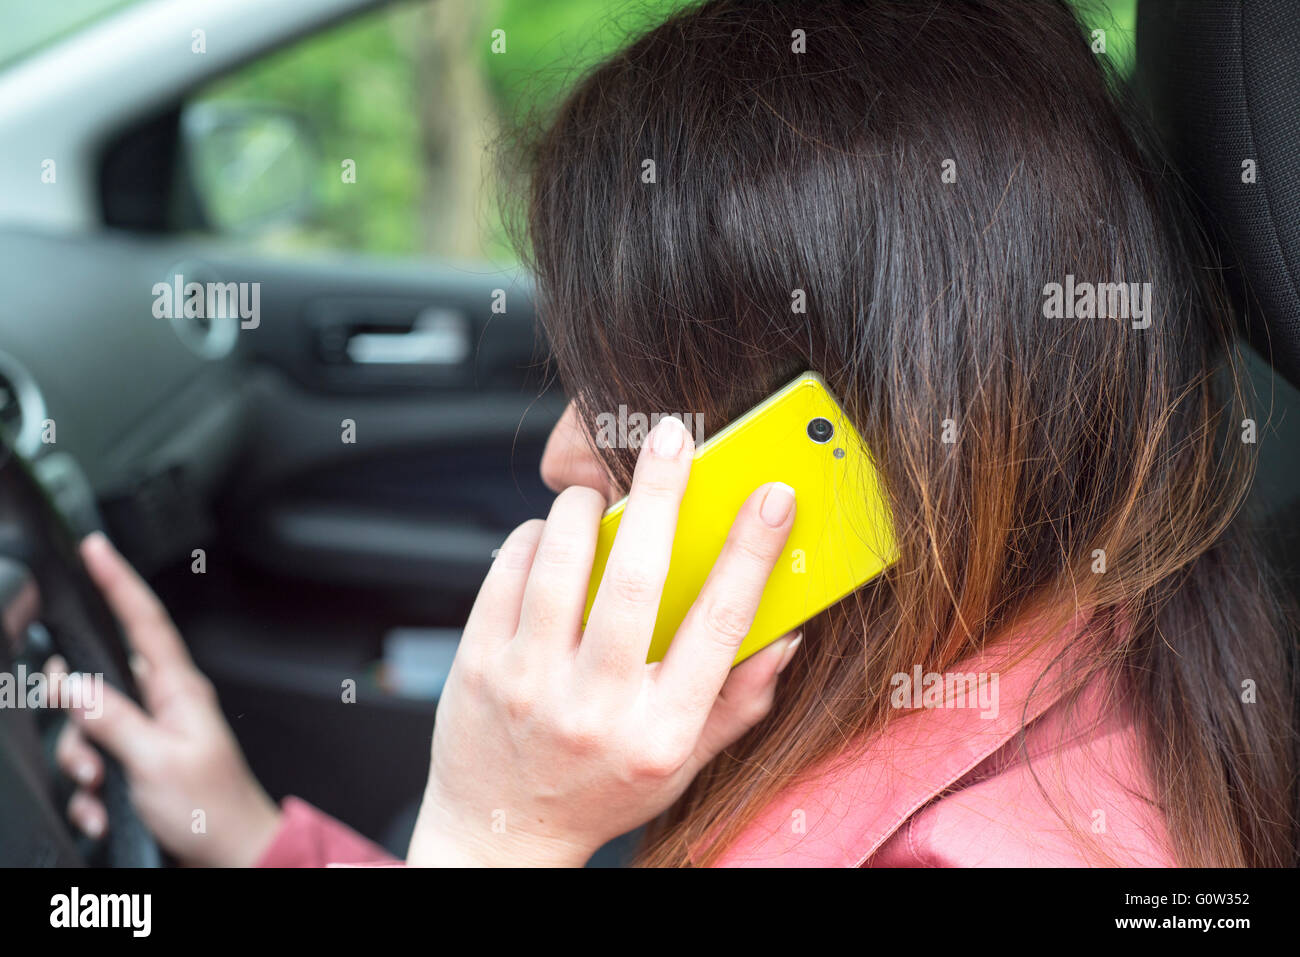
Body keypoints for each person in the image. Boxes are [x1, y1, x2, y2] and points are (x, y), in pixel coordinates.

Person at [49, 0, 1298, 867]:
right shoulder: (1081, 654)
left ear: (855, 447)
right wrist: (252, 836)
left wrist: (495, 837)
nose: (557, 461)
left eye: (625, 398)